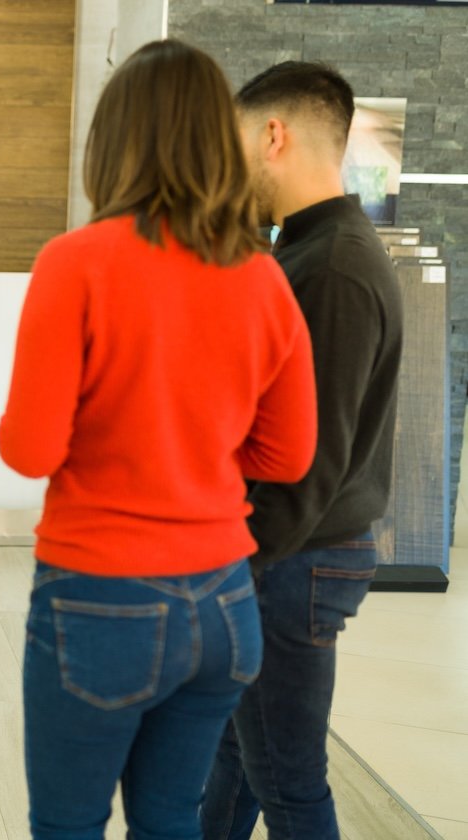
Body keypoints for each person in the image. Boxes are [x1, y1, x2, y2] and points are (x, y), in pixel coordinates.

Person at [0, 40, 319, 839]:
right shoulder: (262, 275)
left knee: (69, 825)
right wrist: (196, 447)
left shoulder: (75, 263)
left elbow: (30, 449)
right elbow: (289, 456)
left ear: (113, 144)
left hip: (101, 596)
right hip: (223, 605)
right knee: (172, 818)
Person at [201, 62, 403, 840]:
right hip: (290, 555)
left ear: (273, 136)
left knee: (286, 782)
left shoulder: (334, 268)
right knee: (235, 757)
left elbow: (306, 461)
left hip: (294, 559)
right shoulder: (306, 252)